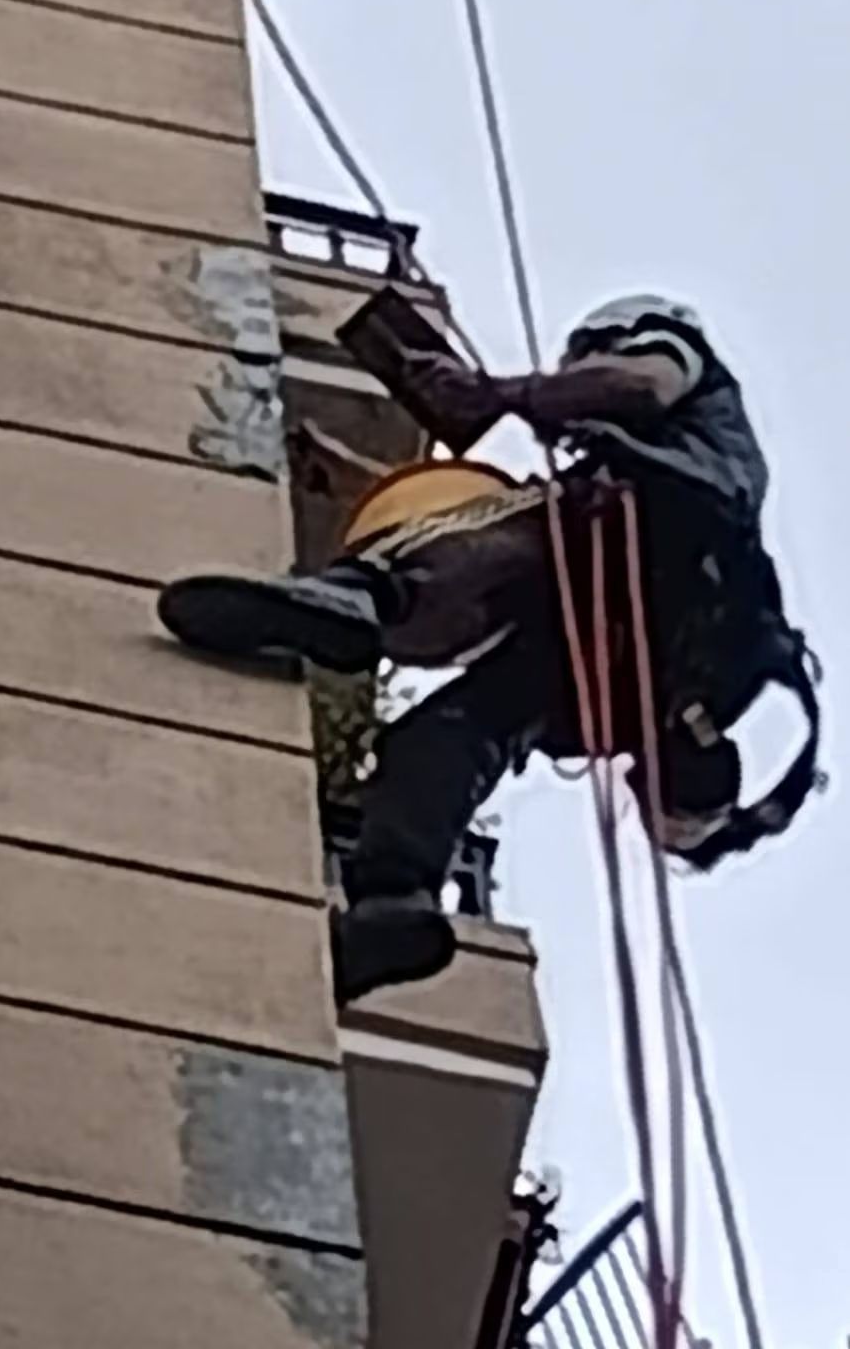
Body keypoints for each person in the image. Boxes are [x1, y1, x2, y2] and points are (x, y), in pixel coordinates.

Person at [158, 295, 822, 1003]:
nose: (575, 373)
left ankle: (362, 598)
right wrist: (352, 476)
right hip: (638, 653)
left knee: (506, 529)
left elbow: (640, 384)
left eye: (582, 357)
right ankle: (395, 901)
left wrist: (499, 393)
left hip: (672, 555)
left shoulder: (677, 364)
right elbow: (470, 536)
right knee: (444, 738)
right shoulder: (630, 472)